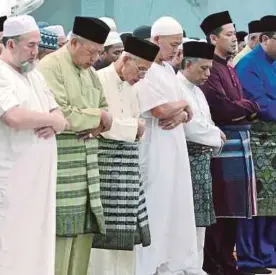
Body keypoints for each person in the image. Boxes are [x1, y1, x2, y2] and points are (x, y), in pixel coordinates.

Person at [0, 14, 67, 275]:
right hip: (8, 179)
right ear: (11, 44)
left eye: (37, 45)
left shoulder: (34, 75)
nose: (36, 52)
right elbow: (13, 116)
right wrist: (51, 119)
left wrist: (55, 120)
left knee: (35, 243)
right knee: (4, 245)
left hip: (37, 182)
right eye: (31, 45)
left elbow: (60, 116)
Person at [38, 16, 111, 275]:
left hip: (87, 165)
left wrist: (96, 119)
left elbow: (104, 109)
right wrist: (95, 119)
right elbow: (62, 114)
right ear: (74, 42)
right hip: (62, 164)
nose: (95, 59)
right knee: (60, 231)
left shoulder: (90, 72)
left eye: (99, 53)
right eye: (91, 52)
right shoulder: (51, 66)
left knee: (83, 231)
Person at [87, 36, 160, 275]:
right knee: (104, 235)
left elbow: (136, 125)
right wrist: (133, 128)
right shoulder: (97, 80)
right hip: (105, 167)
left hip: (127, 169)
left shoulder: (132, 89)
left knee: (127, 233)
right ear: (125, 59)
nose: (142, 77)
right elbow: (100, 123)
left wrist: (132, 128)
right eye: (140, 70)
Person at [133, 16, 198, 275]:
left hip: (174, 148)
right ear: (156, 40)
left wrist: (181, 111)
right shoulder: (145, 68)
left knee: (175, 205)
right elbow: (159, 109)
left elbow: (181, 110)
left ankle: (170, 263)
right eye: (172, 44)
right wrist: (183, 107)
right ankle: (149, 265)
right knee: (156, 206)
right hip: (154, 150)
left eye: (179, 44)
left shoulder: (169, 70)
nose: (176, 50)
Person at [199, 11, 260, 275]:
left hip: (238, 141)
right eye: (229, 34)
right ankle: (216, 265)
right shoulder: (210, 69)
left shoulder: (229, 66)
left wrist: (246, 107)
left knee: (235, 210)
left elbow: (245, 103)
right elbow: (223, 108)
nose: (235, 39)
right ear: (213, 38)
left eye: (235, 34)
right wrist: (246, 108)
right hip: (222, 145)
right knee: (220, 211)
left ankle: (228, 262)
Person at [235, 15, 276, 274]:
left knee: (275, 202)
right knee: (254, 202)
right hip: (257, 142)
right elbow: (260, 104)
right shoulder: (248, 65)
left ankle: (268, 254)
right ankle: (248, 256)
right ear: (264, 40)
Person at [178, 40, 226, 273]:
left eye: (210, 69)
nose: (208, 74)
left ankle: (196, 267)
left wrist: (214, 134)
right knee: (186, 221)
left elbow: (207, 123)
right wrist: (217, 136)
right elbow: (191, 128)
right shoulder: (177, 87)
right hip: (186, 162)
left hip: (202, 162)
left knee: (201, 221)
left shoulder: (197, 91)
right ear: (187, 64)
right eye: (203, 68)